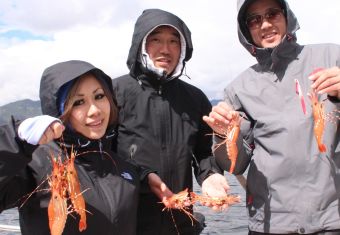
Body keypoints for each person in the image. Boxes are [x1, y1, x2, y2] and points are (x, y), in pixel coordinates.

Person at [203, 0, 340, 234]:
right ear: (246, 31)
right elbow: (235, 164)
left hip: (333, 219)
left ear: (287, 16)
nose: (265, 24)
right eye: (254, 20)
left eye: (272, 14)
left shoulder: (332, 56)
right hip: (270, 223)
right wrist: (222, 134)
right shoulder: (238, 89)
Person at [0, 60, 159, 235]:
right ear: (59, 111)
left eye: (99, 96)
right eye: (78, 102)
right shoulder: (34, 165)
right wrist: (15, 138)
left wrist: (146, 176)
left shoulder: (122, 167)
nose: (94, 110)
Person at [112, 8, 230, 235]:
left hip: (181, 224)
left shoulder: (195, 98)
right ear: (141, 44)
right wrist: (142, 177)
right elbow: (102, 157)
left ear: (182, 48)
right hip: (127, 225)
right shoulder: (114, 93)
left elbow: (204, 153)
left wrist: (211, 175)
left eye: (174, 41)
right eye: (155, 39)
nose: (165, 49)